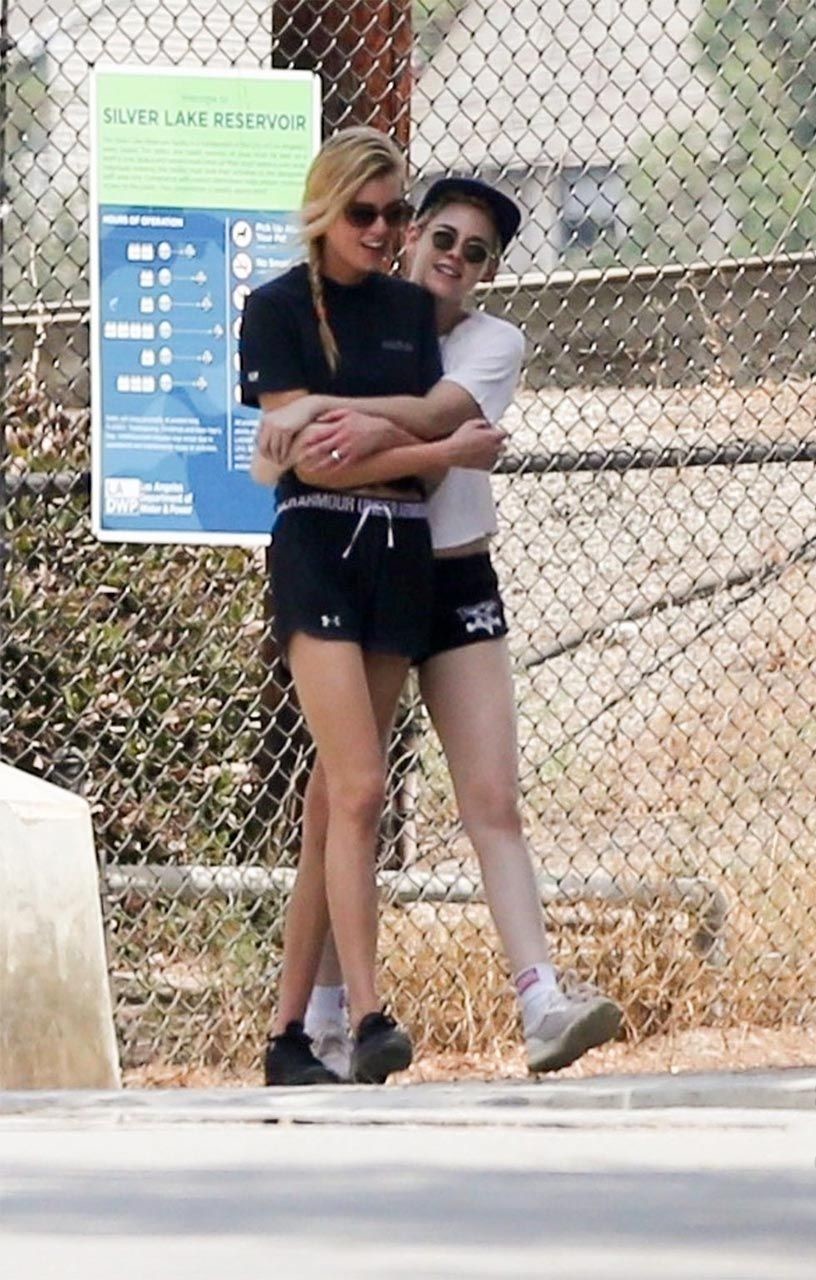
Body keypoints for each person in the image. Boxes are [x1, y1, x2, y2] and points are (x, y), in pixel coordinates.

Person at [258, 176, 623, 1081]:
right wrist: (315, 419)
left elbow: (436, 419)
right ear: (410, 235)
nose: (453, 258)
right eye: (441, 237)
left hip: (453, 575)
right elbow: (309, 454)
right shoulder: (358, 318)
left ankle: (539, 999)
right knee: (345, 801)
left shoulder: (491, 341)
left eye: (476, 252)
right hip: (367, 561)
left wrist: (325, 413)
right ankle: (324, 1020)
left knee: (491, 796)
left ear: (489, 271)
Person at [240, 130, 505, 1087]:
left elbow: (409, 444)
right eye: (364, 213)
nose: (384, 231)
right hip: (317, 548)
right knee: (358, 787)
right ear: (324, 209)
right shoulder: (275, 309)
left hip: (399, 549)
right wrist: (434, 450)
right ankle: (367, 1015)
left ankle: (287, 1036)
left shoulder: (405, 311)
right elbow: (310, 466)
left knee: (334, 803)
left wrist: (363, 428)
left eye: (396, 215)